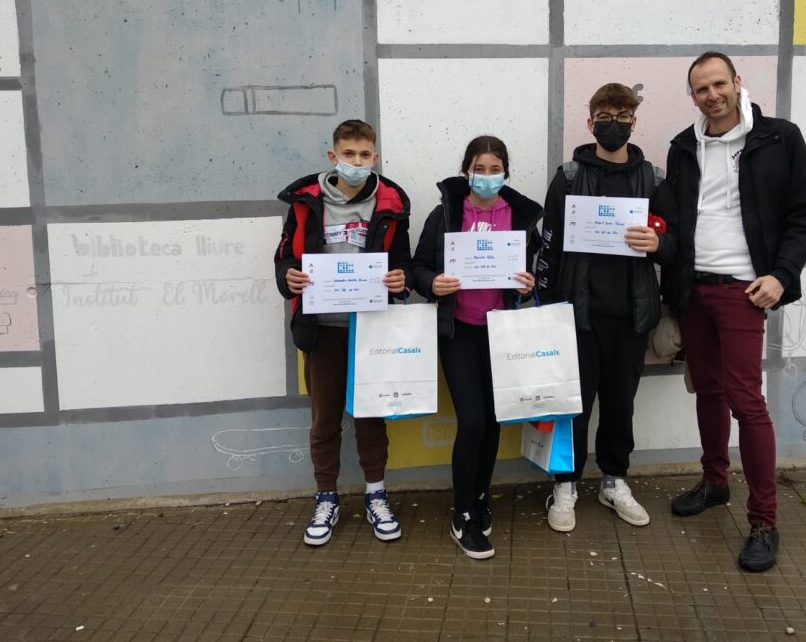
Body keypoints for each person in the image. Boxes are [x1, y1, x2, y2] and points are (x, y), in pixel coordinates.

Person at [663, 52, 806, 572]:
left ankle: (763, 521)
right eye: (701, 89)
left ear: (737, 82)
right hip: (693, 289)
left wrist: (781, 274)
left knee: (746, 402)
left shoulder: (780, 138)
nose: (712, 95)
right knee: (707, 391)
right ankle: (715, 483)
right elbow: (675, 219)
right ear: (692, 96)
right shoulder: (683, 147)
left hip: (744, 291)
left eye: (719, 84)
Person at [535, 83, 675, 533]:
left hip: (631, 316)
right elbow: (549, 245)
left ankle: (614, 480)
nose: (613, 124)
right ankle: (565, 485)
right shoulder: (569, 177)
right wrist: (547, 308)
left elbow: (675, 243)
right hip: (578, 316)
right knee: (573, 406)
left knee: (620, 406)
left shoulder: (653, 179)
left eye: (622, 117)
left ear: (634, 122)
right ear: (590, 121)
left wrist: (658, 244)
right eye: (605, 116)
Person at [273, 119, 412, 547]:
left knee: (371, 417)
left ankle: (376, 494)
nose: (356, 161)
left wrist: (400, 281)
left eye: (364, 155)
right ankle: (326, 497)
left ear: (375, 157)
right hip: (322, 330)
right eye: (348, 154)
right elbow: (284, 256)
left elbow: (402, 263)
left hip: (371, 329)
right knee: (325, 418)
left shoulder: (391, 203)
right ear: (333, 156)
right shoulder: (305, 202)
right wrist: (288, 278)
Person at [411, 136, 542, 560]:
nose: (487, 177)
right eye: (479, 169)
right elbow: (418, 266)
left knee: (493, 421)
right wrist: (431, 283)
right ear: (466, 171)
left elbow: (535, 273)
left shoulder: (520, 218)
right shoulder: (446, 214)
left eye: (495, 169)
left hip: (501, 333)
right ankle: (462, 513)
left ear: (506, 172)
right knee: (471, 422)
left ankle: (480, 497)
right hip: (460, 332)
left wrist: (527, 286)